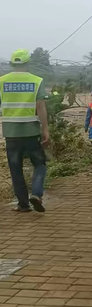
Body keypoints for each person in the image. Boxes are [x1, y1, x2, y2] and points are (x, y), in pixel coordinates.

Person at [0, 49, 49, 212]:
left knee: (16, 169)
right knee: (40, 164)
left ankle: (23, 205)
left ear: (12, 63)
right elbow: (40, 106)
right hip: (31, 132)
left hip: (10, 133)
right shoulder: (36, 81)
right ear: (28, 63)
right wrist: (45, 129)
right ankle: (36, 194)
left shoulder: (2, 81)